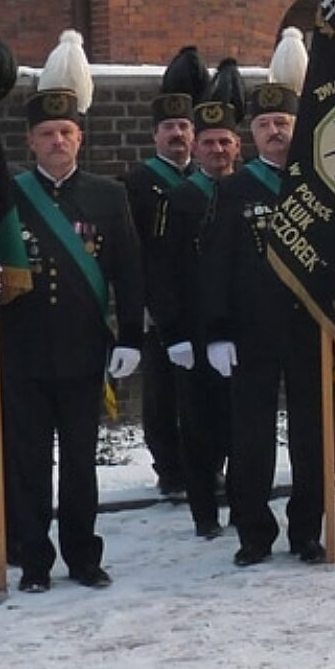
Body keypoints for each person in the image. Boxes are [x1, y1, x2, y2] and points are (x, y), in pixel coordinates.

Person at [0, 30, 143, 592]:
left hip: (82, 351)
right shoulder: (6, 195)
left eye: (65, 132)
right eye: (46, 133)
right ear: (31, 141)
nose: (57, 141)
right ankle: (34, 561)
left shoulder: (108, 195)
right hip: (22, 352)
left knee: (79, 464)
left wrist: (131, 337)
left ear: (79, 137)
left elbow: (128, 272)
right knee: (27, 463)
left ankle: (83, 556)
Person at [199, 29, 330, 565]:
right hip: (251, 334)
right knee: (250, 439)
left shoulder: (321, 184)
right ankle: (254, 533)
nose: (275, 131)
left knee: (312, 439)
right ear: (251, 133)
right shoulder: (233, 190)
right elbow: (215, 266)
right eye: (266, 124)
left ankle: (307, 532)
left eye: (284, 123)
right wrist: (216, 331)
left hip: (310, 329)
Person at [150, 58, 244, 539]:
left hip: (244, 331)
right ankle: (204, 513)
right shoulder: (180, 199)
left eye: (225, 142)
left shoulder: (248, 192)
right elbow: (164, 271)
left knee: (243, 428)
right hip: (195, 331)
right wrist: (174, 332)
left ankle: (245, 509)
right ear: (197, 148)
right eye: (208, 143)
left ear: (237, 146)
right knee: (199, 428)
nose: (217, 150)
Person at [121, 48, 204, 498]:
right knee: (163, 395)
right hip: (159, 304)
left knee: (203, 393)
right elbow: (136, 251)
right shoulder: (137, 184)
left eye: (184, 126)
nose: (177, 134)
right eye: (169, 127)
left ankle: (205, 464)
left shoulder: (208, 179)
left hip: (203, 303)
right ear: (155, 134)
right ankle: (169, 469)